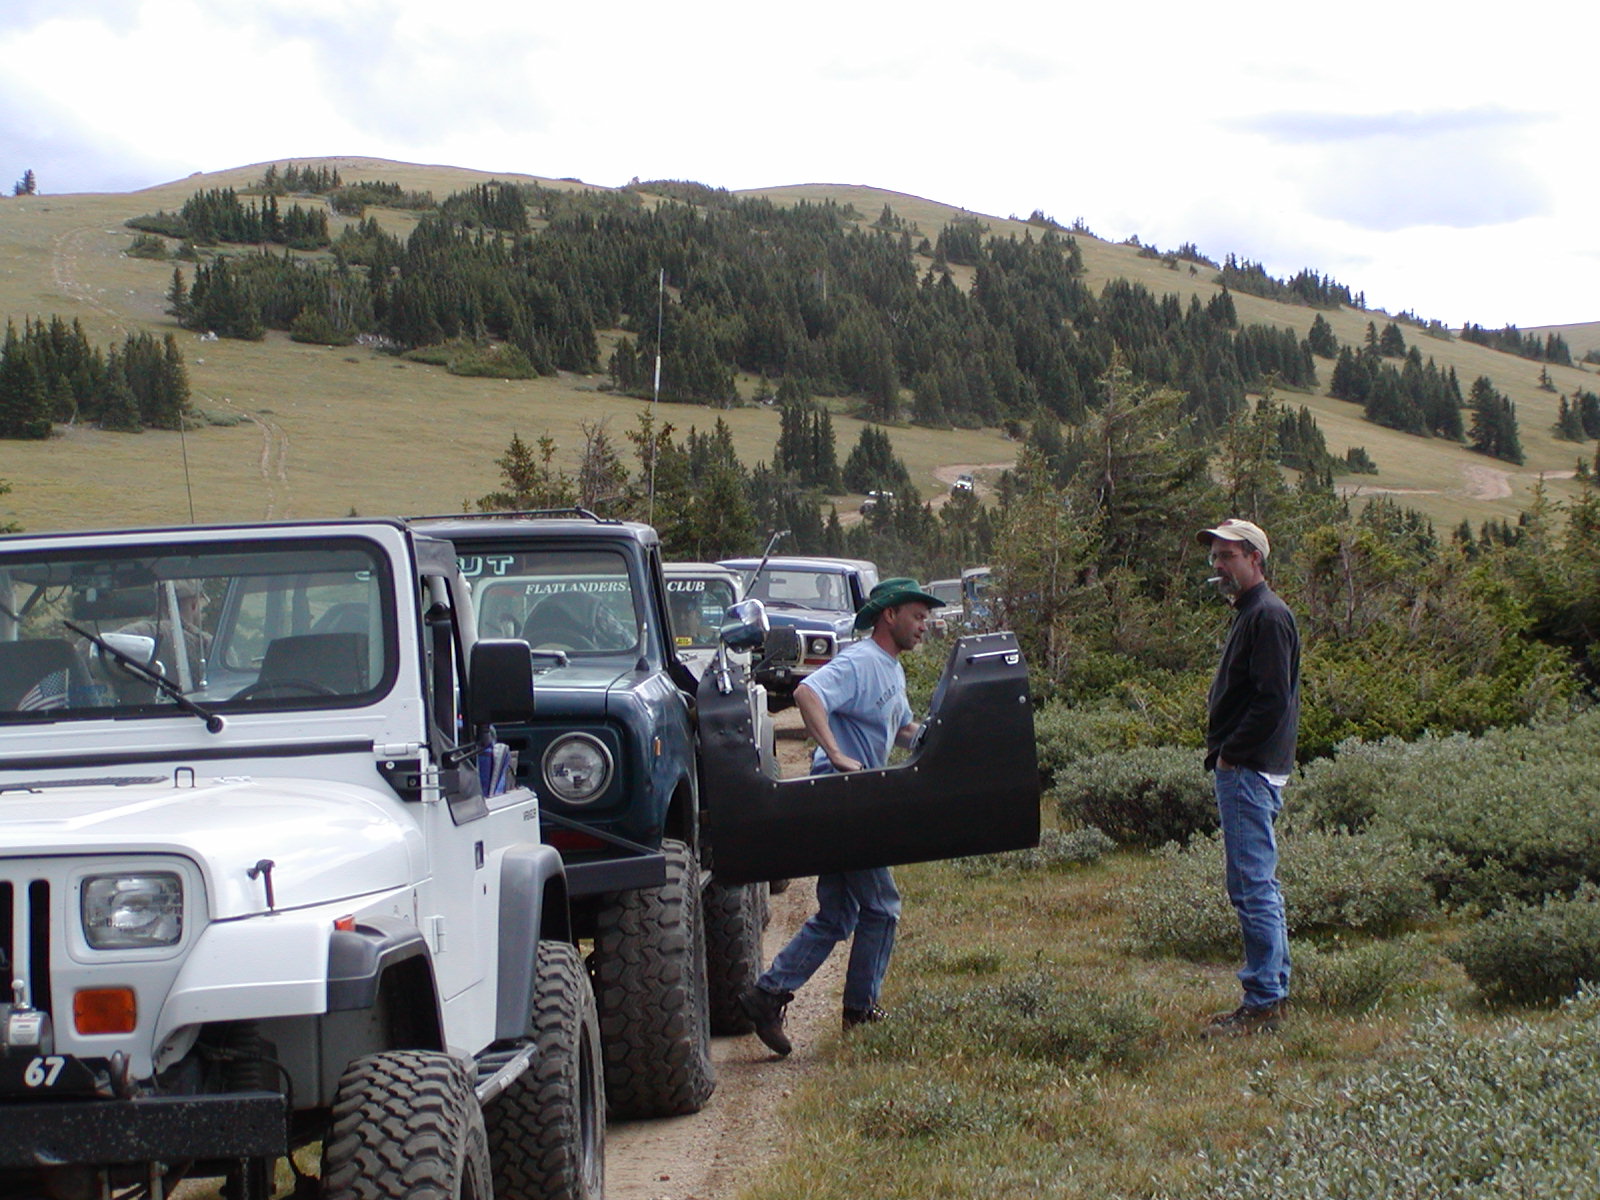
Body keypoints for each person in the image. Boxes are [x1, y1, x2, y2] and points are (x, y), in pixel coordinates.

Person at [738, 577, 945, 1056]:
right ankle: (860, 1012)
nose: (923, 626)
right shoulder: (859, 661)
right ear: (888, 615)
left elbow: (900, 727)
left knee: (839, 913)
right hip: (845, 799)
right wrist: (835, 753)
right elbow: (809, 693)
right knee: (882, 907)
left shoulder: (891, 669)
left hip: (859, 799)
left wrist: (937, 739)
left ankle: (765, 995)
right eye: (917, 616)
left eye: (926, 619)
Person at [1196, 519, 1300, 1037]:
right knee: (1258, 884)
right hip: (1252, 766)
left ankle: (1263, 1001)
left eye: (1228, 556)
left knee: (1251, 885)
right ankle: (1271, 989)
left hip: (1249, 770)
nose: (1219, 565)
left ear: (1255, 558)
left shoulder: (1268, 615)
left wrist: (1232, 755)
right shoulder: (1253, 613)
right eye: (1215, 557)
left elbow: (1272, 698)